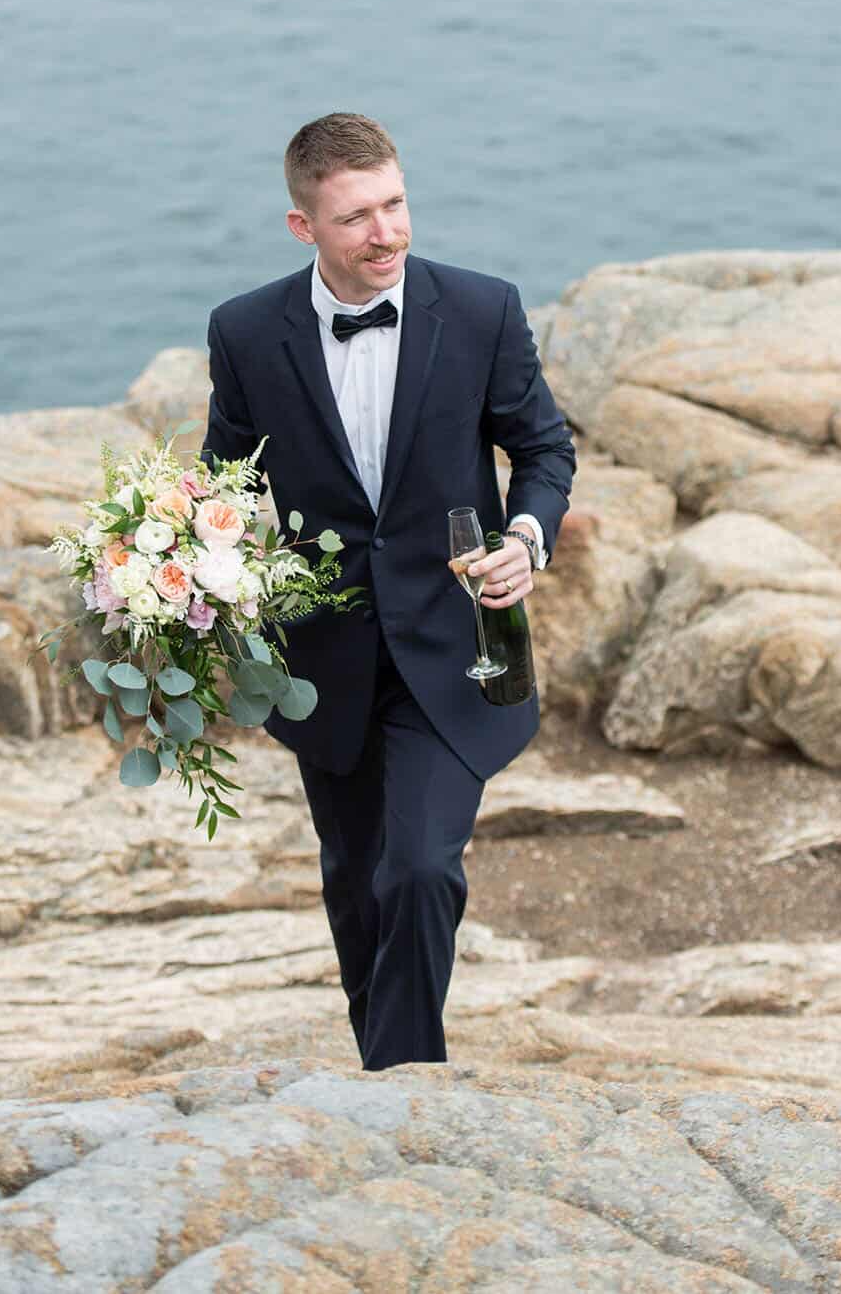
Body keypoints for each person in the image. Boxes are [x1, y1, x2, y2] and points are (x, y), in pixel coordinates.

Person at [203, 112, 576, 1070]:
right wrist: (173, 566)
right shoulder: (245, 332)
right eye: (356, 217)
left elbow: (540, 447)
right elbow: (224, 483)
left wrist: (525, 539)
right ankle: (389, 1073)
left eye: (395, 204)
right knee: (356, 884)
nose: (387, 233)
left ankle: (406, 1091)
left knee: (417, 869)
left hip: (458, 647)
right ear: (304, 229)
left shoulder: (483, 310)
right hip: (321, 660)